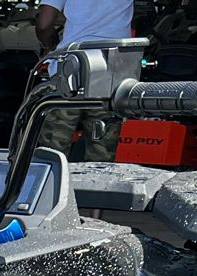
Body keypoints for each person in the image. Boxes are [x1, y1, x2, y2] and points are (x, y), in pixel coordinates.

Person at [34, 0, 134, 160]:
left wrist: (49, 45)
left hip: (71, 69)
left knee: (52, 149)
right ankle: (96, 185)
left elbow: (44, 24)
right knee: (102, 151)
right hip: (111, 68)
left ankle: (51, 183)